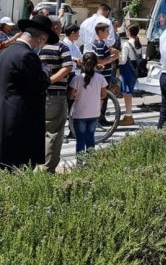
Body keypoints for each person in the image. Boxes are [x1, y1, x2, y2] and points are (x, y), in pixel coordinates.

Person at [0, 15, 56, 170]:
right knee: (19, 168)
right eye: (44, 41)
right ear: (40, 39)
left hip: (5, 117)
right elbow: (39, 85)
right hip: (21, 122)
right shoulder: (28, 55)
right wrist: (46, 72)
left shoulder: (5, 52)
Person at [38, 19, 73, 173]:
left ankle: (35, 166)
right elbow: (67, 67)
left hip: (38, 95)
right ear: (56, 28)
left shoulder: (38, 46)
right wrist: (49, 81)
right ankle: (47, 169)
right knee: (53, 132)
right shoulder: (61, 47)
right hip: (55, 95)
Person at [68, 53, 108, 154]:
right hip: (94, 113)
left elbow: (70, 96)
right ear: (96, 64)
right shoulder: (101, 78)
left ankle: (80, 161)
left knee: (80, 140)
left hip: (79, 114)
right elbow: (104, 95)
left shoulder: (76, 79)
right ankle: (91, 161)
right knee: (90, 138)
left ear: (82, 63)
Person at [90, 22, 120, 125]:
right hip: (102, 75)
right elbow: (100, 61)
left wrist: (110, 52)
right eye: (106, 31)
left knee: (104, 97)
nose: (108, 33)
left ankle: (100, 118)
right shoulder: (99, 44)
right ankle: (99, 119)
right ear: (100, 32)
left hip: (104, 75)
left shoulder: (101, 43)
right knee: (102, 97)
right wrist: (113, 58)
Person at [118, 25, 143, 126]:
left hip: (127, 69)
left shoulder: (126, 44)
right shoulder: (138, 43)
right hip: (135, 69)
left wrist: (117, 55)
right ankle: (128, 116)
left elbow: (123, 61)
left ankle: (128, 116)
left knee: (127, 94)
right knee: (129, 92)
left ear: (128, 32)